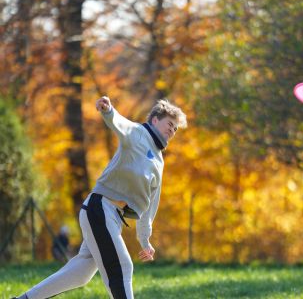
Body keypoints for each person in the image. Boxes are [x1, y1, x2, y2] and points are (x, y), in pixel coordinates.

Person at [13, 96, 187, 299]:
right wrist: (108, 111)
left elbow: (151, 203)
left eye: (175, 129)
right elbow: (121, 124)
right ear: (155, 120)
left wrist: (145, 239)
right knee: (122, 266)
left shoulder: (158, 160)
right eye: (170, 124)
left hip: (114, 217)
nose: (172, 131)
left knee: (81, 273)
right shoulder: (138, 134)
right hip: (99, 208)